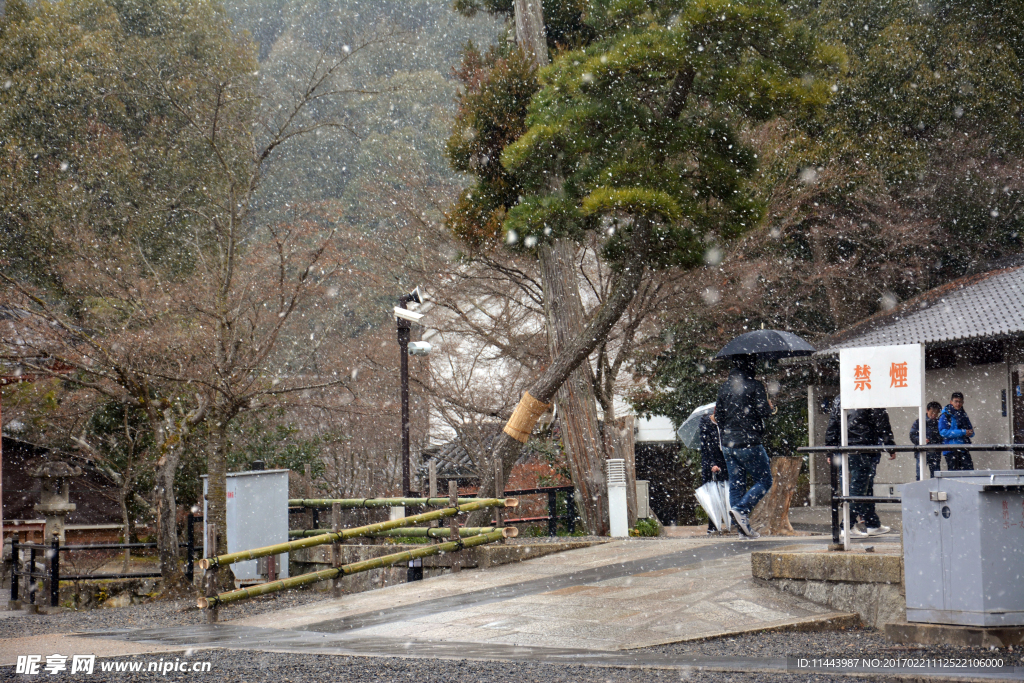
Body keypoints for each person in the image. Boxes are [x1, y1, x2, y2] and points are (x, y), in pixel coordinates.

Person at [716, 355, 776, 538]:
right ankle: (742, 510)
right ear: (751, 366)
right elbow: (763, 411)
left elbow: (718, 417)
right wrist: (772, 407)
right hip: (749, 442)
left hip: (728, 444)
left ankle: (742, 530)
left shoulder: (724, 387)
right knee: (765, 480)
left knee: (736, 484)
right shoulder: (755, 385)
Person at [825, 396, 897, 538]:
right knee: (860, 487)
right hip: (863, 446)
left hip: (845, 448)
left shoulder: (842, 396)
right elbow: (882, 422)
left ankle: (872, 523)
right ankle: (848, 525)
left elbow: (833, 424)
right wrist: (890, 445)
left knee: (859, 486)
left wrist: (830, 448)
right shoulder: (870, 395)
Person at [698, 409, 728, 534]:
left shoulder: (725, 424)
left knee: (726, 492)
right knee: (712, 494)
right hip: (711, 462)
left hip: (724, 460)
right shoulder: (706, 425)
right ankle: (713, 525)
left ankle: (728, 522)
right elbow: (706, 448)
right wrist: (712, 463)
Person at [938, 391, 975, 471]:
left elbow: (971, 432)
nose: (958, 404)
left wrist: (969, 432)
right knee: (954, 475)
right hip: (951, 450)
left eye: (960, 402)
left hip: (964, 449)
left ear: (963, 402)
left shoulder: (963, 415)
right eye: (956, 401)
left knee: (969, 474)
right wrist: (963, 432)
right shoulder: (945, 415)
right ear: (951, 402)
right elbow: (943, 432)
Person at [910, 401, 944, 478]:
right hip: (922, 452)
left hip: (935, 452)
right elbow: (912, 435)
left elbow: (942, 436)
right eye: (932, 412)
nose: (934, 415)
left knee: (935, 476)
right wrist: (921, 440)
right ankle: (921, 490)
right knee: (920, 475)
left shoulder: (939, 422)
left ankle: (933, 490)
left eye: (936, 413)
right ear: (927, 410)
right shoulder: (919, 422)